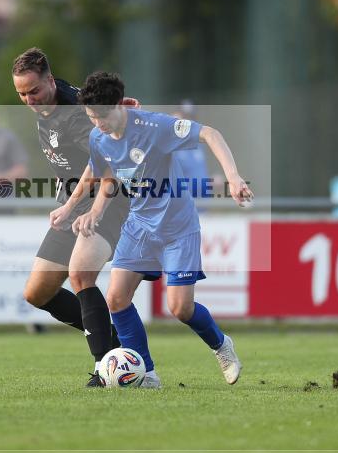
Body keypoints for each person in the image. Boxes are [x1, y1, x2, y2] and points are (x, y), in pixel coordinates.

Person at [72, 71, 251, 388]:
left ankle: (222, 346)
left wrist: (234, 177)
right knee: (116, 298)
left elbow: (210, 133)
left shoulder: (155, 127)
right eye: (91, 117)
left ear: (119, 105)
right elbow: (109, 175)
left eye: (102, 115)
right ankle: (148, 374)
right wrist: (95, 211)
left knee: (180, 308)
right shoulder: (98, 137)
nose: (97, 123)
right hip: (139, 226)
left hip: (177, 228)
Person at [12, 47, 134, 387]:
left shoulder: (78, 115)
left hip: (106, 201)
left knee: (81, 274)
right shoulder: (52, 98)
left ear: (49, 81)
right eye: (21, 94)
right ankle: (114, 343)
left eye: (33, 91)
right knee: (37, 293)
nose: (29, 100)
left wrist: (79, 207)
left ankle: (104, 366)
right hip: (73, 204)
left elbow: (105, 167)